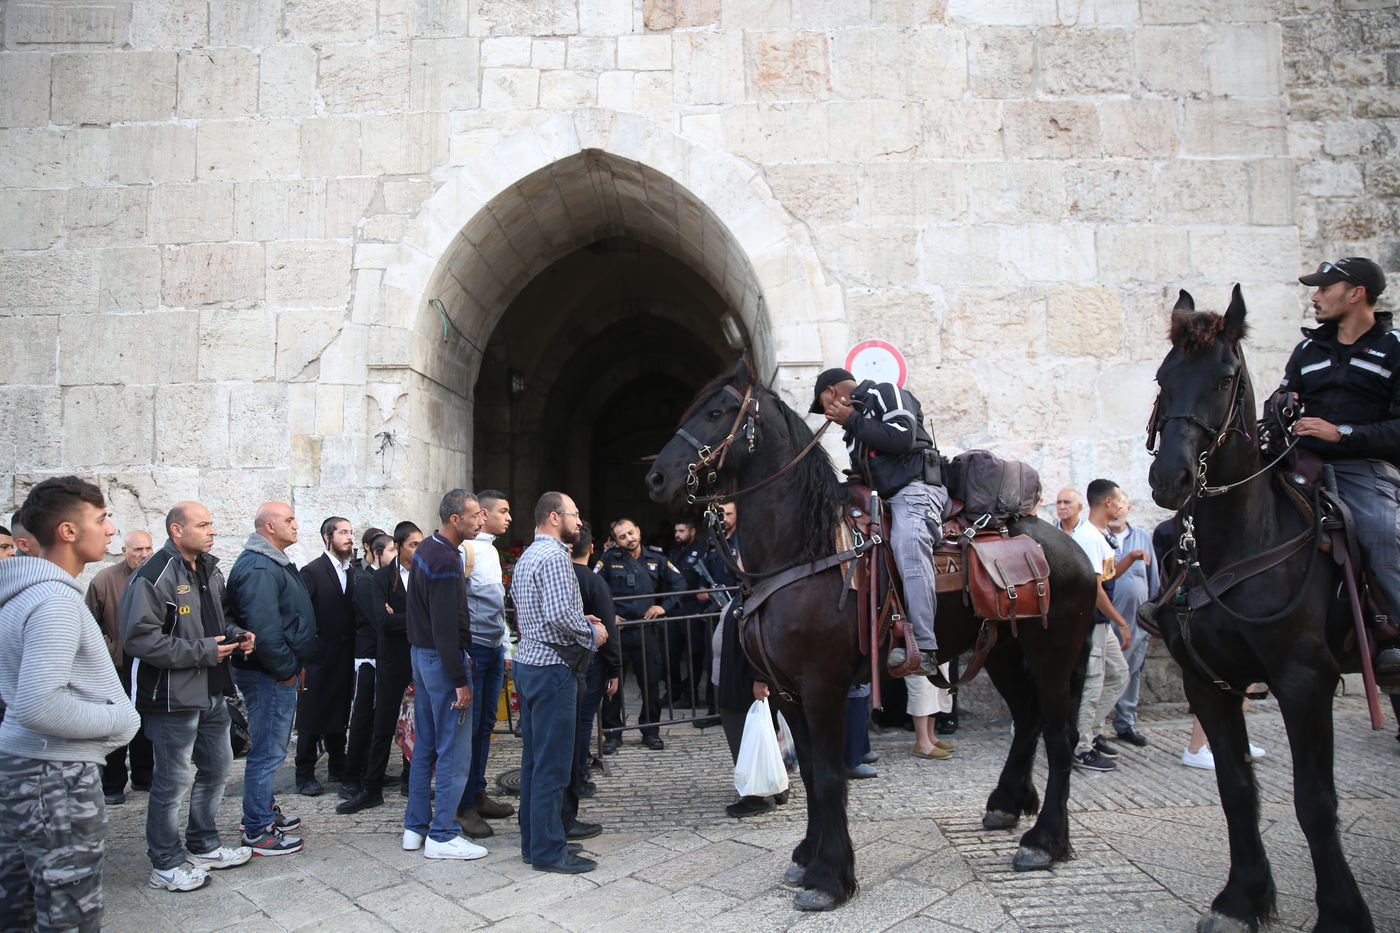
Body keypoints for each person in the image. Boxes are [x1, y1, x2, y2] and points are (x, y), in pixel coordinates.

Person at [0, 476, 141, 930]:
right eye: (101, 519)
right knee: (70, 910)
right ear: (67, 531)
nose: (111, 531)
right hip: (53, 774)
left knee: (19, 902)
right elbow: (39, 705)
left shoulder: (22, 593)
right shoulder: (54, 601)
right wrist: (121, 719)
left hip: (27, 765)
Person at [120, 502, 255, 891]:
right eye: (203, 525)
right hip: (170, 696)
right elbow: (140, 639)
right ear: (177, 530)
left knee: (217, 769)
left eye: (212, 523)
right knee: (172, 780)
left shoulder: (209, 569)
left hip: (213, 690)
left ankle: (203, 844)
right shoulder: (153, 575)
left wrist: (236, 635)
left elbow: (216, 620)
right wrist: (203, 651)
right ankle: (165, 862)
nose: (212, 531)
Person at [1280, 257, 1400, 672]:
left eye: (1324, 289)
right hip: (1301, 462)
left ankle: (1394, 629)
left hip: (1365, 468)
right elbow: (1283, 398)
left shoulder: (1395, 347)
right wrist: (1282, 406)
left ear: (1356, 293)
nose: (1314, 297)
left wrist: (1341, 433)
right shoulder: (1307, 350)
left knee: (1384, 536)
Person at [811, 368, 947, 676]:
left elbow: (902, 437)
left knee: (908, 545)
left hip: (916, 489)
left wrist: (852, 419)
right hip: (883, 500)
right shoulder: (852, 433)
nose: (826, 414)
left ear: (833, 393)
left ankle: (925, 647)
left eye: (823, 404)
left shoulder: (885, 392)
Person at [511, 492, 608, 873]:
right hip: (552, 669)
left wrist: (578, 617)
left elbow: (545, 612)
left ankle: (534, 844)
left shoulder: (529, 556)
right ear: (554, 517)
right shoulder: (553, 557)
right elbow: (557, 617)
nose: (579, 521)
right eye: (574, 514)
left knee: (535, 762)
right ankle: (550, 852)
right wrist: (591, 632)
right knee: (551, 766)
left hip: (531, 664)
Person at [226, 502, 317, 855]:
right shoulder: (261, 566)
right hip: (268, 675)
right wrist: (285, 670)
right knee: (267, 752)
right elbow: (263, 628)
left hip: (277, 671)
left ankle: (261, 811)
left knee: (270, 751)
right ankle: (257, 829)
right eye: (288, 520)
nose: (295, 525)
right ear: (268, 527)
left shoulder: (271, 561)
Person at [403, 490, 487, 860]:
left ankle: (414, 828)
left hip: (422, 657)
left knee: (425, 745)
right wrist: (459, 679)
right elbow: (445, 625)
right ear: (455, 519)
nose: (480, 521)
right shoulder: (445, 557)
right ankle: (442, 834)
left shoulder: (427, 549)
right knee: (453, 750)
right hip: (440, 661)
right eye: (474, 516)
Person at [338, 522, 422, 815]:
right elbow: (382, 622)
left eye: (420, 544)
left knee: (418, 725)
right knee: (382, 727)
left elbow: (435, 616)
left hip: (420, 660)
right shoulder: (380, 579)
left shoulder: (426, 575)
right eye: (412, 545)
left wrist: (401, 616)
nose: (418, 550)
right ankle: (371, 788)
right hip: (392, 662)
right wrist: (416, 618)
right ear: (398, 548)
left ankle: (412, 782)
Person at [1060, 481, 1134, 772]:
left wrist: (1131, 557)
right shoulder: (1089, 537)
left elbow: (1108, 573)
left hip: (1102, 623)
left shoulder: (1101, 535)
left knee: (1118, 674)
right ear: (1106, 502)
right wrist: (1122, 622)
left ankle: (1091, 731)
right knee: (1092, 682)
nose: (1122, 506)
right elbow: (1096, 590)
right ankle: (1080, 747)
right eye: (1119, 500)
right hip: (1091, 623)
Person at [595, 517, 686, 752]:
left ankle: (651, 730)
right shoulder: (608, 559)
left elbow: (680, 584)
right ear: (615, 540)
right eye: (622, 537)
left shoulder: (657, 558)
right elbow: (594, 589)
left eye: (631, 533)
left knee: (651, 684)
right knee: (613, 684)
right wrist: (608, 615)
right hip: (619, 634)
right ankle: (613, 733)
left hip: (647, 632)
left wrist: (663, 606)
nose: (629, 539)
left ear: (639, 530)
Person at [455, 489, 516, 838]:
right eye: (502, 511)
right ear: (484, 514)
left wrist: (505, 646)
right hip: (475, 649)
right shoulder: (466, 551)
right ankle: (462, 804)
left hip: (492, 647)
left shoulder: (490, 550)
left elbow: (497, 605)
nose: (508, 517)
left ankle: (477, 792)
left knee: (486, 726)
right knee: (470, 729)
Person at [84, 528, 155, 804]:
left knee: (144, 724)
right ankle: (112, 786)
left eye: (148, 548)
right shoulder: (104, 580)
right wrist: (108, 649)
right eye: (137, 549)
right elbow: (89, 624)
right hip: (115, 668)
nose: (144, 554)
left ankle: (144, 777)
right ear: (124, 551)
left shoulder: (157, 578)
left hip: (147, 665)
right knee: (115, 728)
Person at [295, 517, 362, 796]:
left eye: (350, 532)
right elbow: (301, 614)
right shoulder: (312, 571)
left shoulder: (353, 572)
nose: (349, 537)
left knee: (339, 709)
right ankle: (305, 773)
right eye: (343, 532)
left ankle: (338, 763)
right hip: (318, 654)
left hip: (345, 653)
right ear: (327, 536)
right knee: (312, 714)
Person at [569, 522, 620, 805]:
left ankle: (573, 774)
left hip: (564, 660)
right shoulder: (594, 581)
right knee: (583, 723)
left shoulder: (561, 576)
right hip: (592, 662)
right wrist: (615, 669)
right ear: (592, 549)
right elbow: (608, 630)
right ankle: (577, 777)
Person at [342, 532, 394, 798]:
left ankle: (373, 769)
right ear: (377, 553)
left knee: (378, 718)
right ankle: (351, 774)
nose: (395, 557)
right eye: (391, 552)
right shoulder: (364, 582)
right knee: (362, 715)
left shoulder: (386, 579)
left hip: (383, 655)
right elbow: (379, 618)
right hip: (368, 656)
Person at [1108, 494, 1157, 747]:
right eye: (1113, 506)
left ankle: (1125, 722)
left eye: (1121, 506)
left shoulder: (1142, 538)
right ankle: (1091, 725)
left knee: (1133, 671)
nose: (1117, 511)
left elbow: (1153, 578)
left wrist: (1153, 613)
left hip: (1136, 621)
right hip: (1106, 619)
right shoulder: (1100, 537)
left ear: (1129, 508)